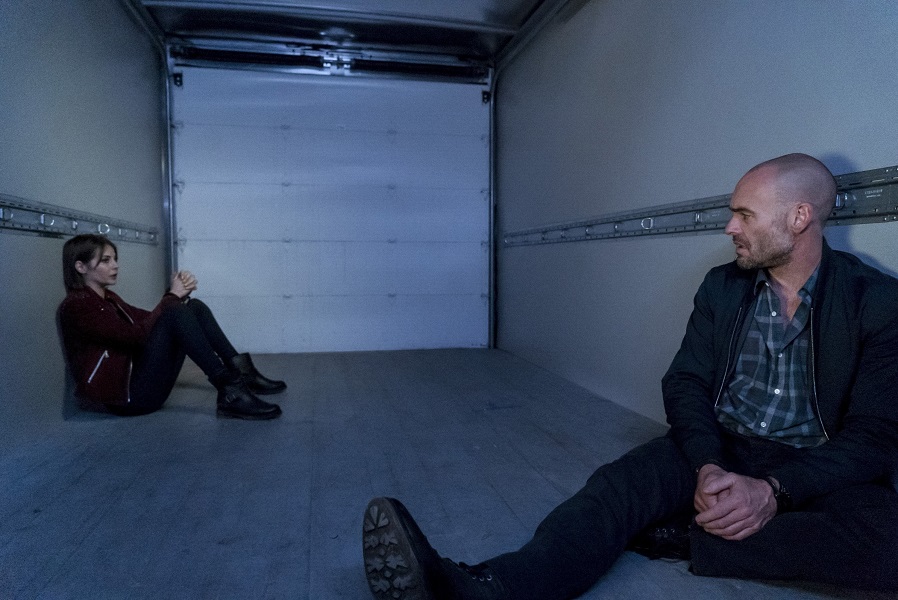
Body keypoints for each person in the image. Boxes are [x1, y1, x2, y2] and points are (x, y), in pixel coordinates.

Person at [361, 153, 898, 598]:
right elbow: (685, 382)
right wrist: (708, 465)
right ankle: (481, 587)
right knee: (613, 491)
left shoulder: (874, 301)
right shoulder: (723, 286)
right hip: (722, 444)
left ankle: (686, 538)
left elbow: (875, 435)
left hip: (813, 465)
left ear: (799, 218)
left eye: (744, 215)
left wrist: (774, 491)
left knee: (887, 542)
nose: (729, 227)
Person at [59, 234, 286, 420]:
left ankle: (241, 375)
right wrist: (171, 298)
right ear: (81, 266)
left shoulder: (107, 298)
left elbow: (149, 319)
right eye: (106, 260)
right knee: (175, 310)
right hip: (127, 399)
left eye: (114, 259)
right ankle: (231, 393)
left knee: (193, 307)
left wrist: (177, 296)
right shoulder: (78, 305)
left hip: (137, 382)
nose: (115, 266)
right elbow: (134, 336)